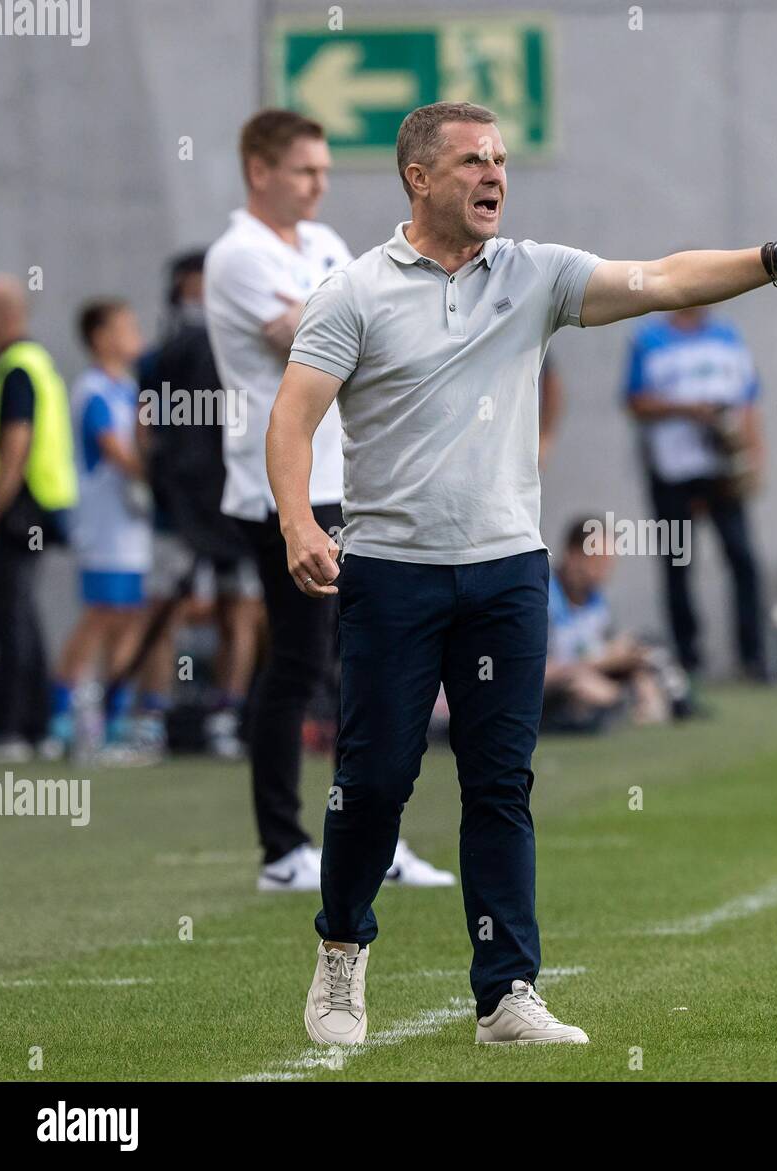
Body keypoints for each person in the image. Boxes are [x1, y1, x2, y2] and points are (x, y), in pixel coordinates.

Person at [266, 100, 777, 1047]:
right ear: (419, 178)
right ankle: (341, 948)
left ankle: (507, 993)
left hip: (504, 576)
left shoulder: (535, 274)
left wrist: (776, 259)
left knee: (500, 784)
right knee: (374, 781)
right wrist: (299, 519)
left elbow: (662, 279)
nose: (494, 174)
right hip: (391, 574)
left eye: (499, 158)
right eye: (470, 161)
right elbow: (292, 418)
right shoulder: (355, 292)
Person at [204, 109, 450, 892]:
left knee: (366, 663)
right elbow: (315, 335)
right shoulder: (236, 254)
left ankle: (373, 837)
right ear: (259, 172)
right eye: (305, 171)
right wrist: (350, 316)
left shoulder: (323, 246)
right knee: (301, 661)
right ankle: (282, 849)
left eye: (324, 171)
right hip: (277, 486)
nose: (320, 185)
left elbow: (363, 322)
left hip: (347, 481)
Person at [138, 250, 264, 759]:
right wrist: (160, 485)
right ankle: (151, 717)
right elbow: (145, 425)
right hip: (180, 510)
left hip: (236, 504)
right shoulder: (161, 357)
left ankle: (226, 716)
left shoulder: (244, 350)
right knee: (163, 609)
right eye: (192, 286)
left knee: (240, 609)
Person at [625, 304, 765, 684]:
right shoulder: (649, 339)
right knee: (678, 562)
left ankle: (753, 655)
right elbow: (635, 400)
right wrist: (689, 409)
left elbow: (749, 399)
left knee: (743, 557)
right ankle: (688, 658)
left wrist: (754, 456)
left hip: (722, 468)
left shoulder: (727, 336)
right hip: (672, 469)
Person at [48, 300, 154, 760]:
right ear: (100, 337)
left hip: (133, 523)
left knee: (130, 613)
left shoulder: (130, 388)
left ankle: (113, 721)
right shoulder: (92, 391)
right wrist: (161, 477)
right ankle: (61, 717)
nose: (135, 334)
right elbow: (118, 453)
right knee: (101, 613)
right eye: (125, 327)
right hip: (102, 525)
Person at [0, 275, 77, 760]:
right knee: (23, 615)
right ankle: (37, 725)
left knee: (10, 617)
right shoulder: (36, 363)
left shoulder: (16, 368)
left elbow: (15, 445)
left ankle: (9, 729)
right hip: (41, 506)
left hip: (21, 509)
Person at [543, 517, 689, 731]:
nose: (603, 572)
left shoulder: (595, 599)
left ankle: (670, 702)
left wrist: (623, 657)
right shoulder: (543, 598)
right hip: (556, 686)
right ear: (572, 556)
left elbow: (601, 646)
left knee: (646, 646)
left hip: (589, 672)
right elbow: (533, 671)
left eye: (608, 563)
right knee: (583, 687)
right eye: (597, 562)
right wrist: (599, 662)